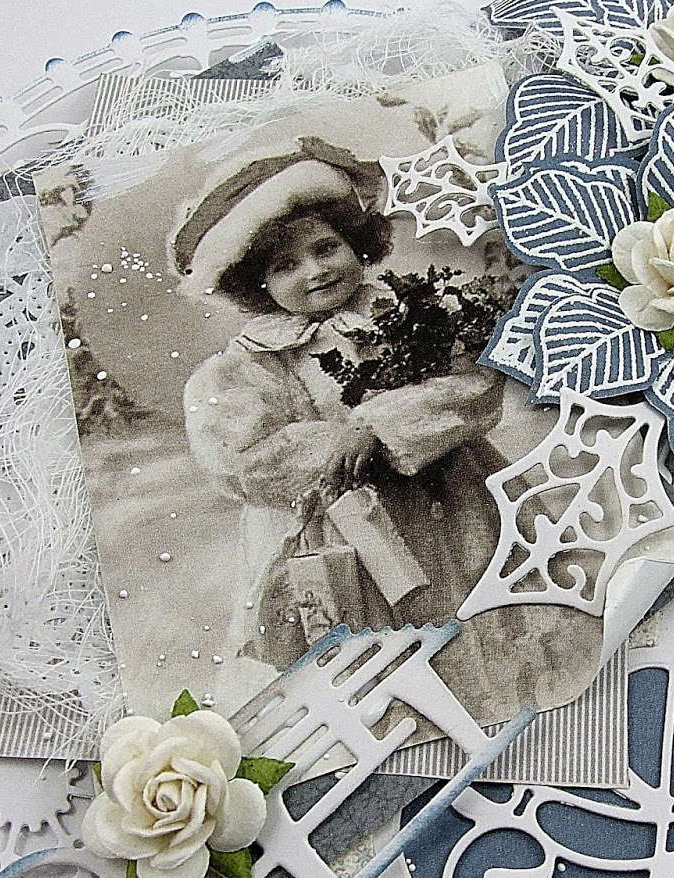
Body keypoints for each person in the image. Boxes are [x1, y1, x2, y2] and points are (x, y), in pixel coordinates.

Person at [175, 141, 507, 675]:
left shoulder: (410, 309)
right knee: (368, 648)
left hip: (454, 501)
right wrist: (337, 443)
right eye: (286, 265)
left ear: (356, 241)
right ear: (257, 284)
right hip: (336, 528)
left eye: (326, 248)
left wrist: (380, 426)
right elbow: (240, 460)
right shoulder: (250, 365)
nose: (315, 271)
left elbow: (478, 386)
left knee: (477, 625)